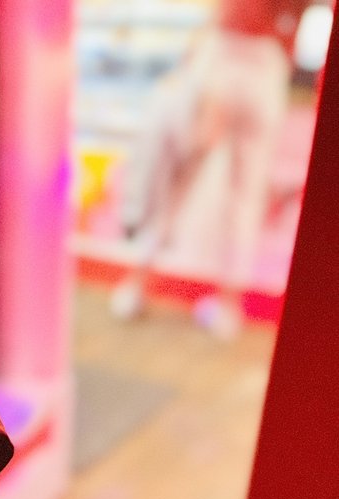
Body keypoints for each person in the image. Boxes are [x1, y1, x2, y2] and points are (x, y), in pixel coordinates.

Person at [111, 1, 316, 339]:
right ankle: (227, 308)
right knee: (245, 192)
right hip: (265, 64)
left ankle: (135, 286)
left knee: (178, 178)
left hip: (222, 57)